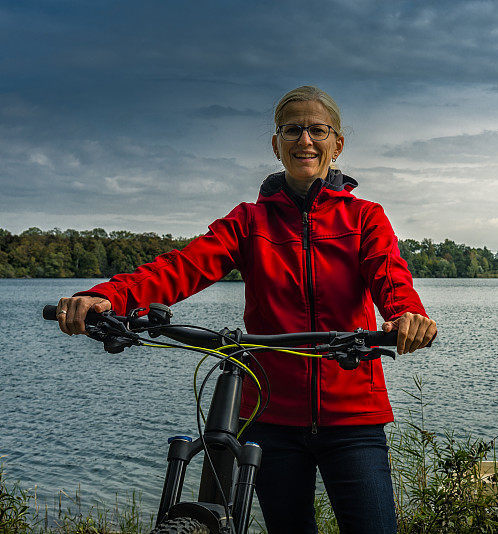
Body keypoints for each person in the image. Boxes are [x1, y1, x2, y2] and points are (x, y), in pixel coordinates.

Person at [55, 85, 437, 533]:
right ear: (276, 144)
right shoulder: (249, 221)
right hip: (269, 413)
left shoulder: (364, 217)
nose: (305, 140)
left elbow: (391, 278)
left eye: (318, 129)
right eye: (293, 129)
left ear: (338, 143)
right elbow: (180, 267)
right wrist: (110, 297)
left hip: (352, 415)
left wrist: (407, 315)